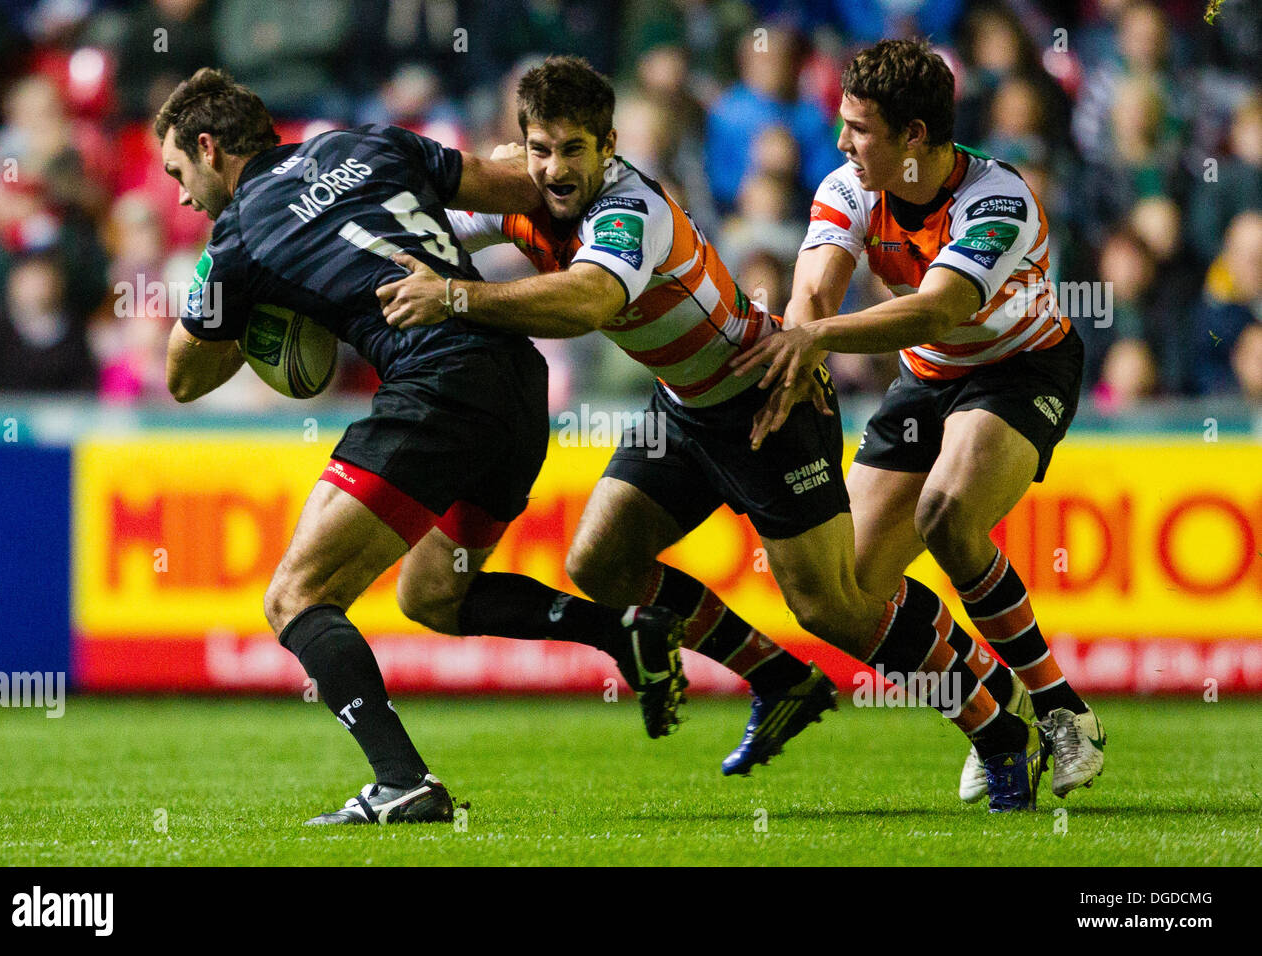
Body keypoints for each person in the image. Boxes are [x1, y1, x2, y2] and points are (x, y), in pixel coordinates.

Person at [379, 56, 1042, 811]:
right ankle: (778, 677)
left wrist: (455, 299)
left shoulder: (633, 212)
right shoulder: (521, 192)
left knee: (836, 608)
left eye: (573, 150)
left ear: (609, 146)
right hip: (685, 407)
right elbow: (431, 227)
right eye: (540, 149)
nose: (555, 169)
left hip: (764, 401)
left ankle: (994, 725)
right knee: (600, 562)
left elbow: (587, 302)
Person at [156, 68, 687, 826]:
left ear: (208, 147)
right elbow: (525, 190)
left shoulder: (237, 234)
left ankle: (402, 782)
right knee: (436, 594)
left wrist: (252, 306)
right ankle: (625, 633)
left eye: (179, 171)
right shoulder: (368, 141)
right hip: (515, 379)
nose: (181, 194)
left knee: (296, 597)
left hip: (436, 388)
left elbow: (182, 376)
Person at [731, 39, 1105, 804]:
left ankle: (1063, 708)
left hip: (1019, 367)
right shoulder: (848, 186)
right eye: (842, 123)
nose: (841, 143)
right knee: (848, 590)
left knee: (947, 516)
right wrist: (801, 349)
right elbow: (812, 296)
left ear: (916, 138)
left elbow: (940, 307)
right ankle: (991, 702)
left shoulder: (998, 200)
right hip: (928, 375)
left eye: (859, 128)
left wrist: (817, 340)